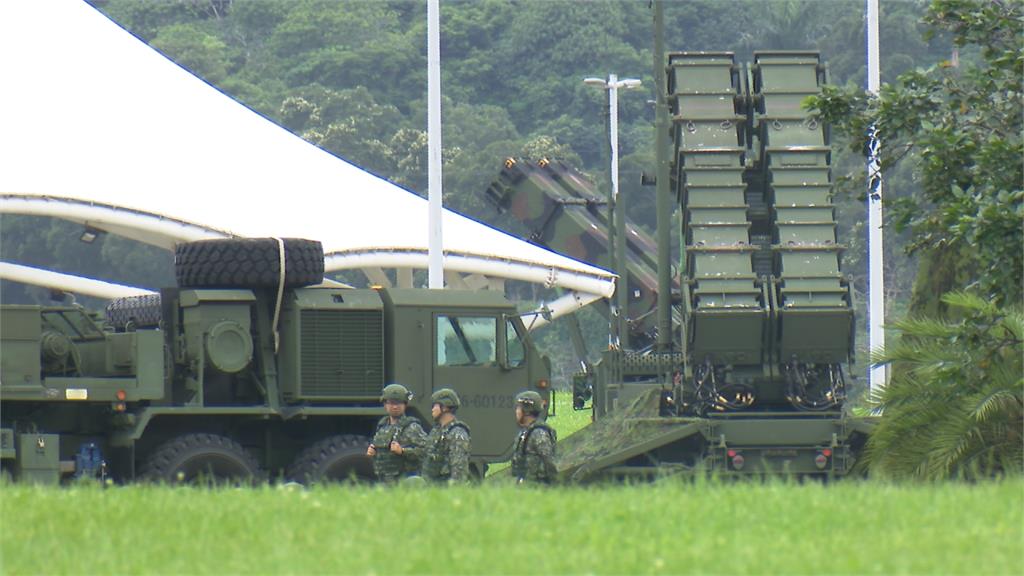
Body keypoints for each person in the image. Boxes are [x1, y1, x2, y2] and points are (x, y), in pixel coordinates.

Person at [366, 383, 427, 483]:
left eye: (398, 403)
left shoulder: (412, 427)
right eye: (391, 403)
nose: (395, 407)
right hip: (384, 480)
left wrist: (403, 451)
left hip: (404, 480)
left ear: (405, 405)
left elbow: (426, 452)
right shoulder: (382, 426)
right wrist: (373, 452)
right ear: (385, 404)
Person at [421, 388, 472, 484]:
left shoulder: (457, 433)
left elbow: (459, 471)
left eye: (434, 406)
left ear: (444, 407)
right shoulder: (437, 431)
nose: (432, 410)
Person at [510, 390, 557, 484]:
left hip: (538, 486)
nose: (516, 412)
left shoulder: (539, 433)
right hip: (526, 483)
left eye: (519, 409)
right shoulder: (526, 431)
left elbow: (549, 461)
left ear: (526, 411)